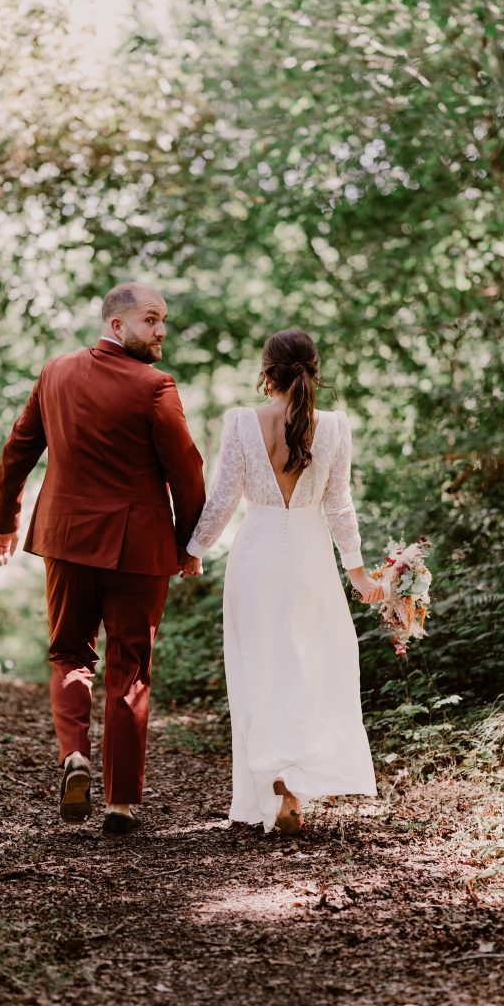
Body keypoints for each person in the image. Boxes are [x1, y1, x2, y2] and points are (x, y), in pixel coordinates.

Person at [0, 283, 206, 836]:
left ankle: (74, 758)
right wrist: (188, 544)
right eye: (151, 320)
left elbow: (18, 449)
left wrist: (5, 520)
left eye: (164, 321)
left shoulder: (55, 373)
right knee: (129, 668)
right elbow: (187, 471)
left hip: (65, 539)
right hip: (138, 549)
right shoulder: (156, 387)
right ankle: (121, 804)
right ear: (116, 326)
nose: (161, 331)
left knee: (68, 653)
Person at [185, 329, 383, 835]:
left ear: (266, 372)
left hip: (256, 557)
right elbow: (339, 506)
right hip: (313, 559)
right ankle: (292, 786)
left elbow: (224, 498)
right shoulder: (335, 427)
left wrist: (193, 551)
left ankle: (269, 775)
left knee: (259, 668)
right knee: (310, 668)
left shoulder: (242, 423)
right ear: (314, 370)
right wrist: (357, 573)